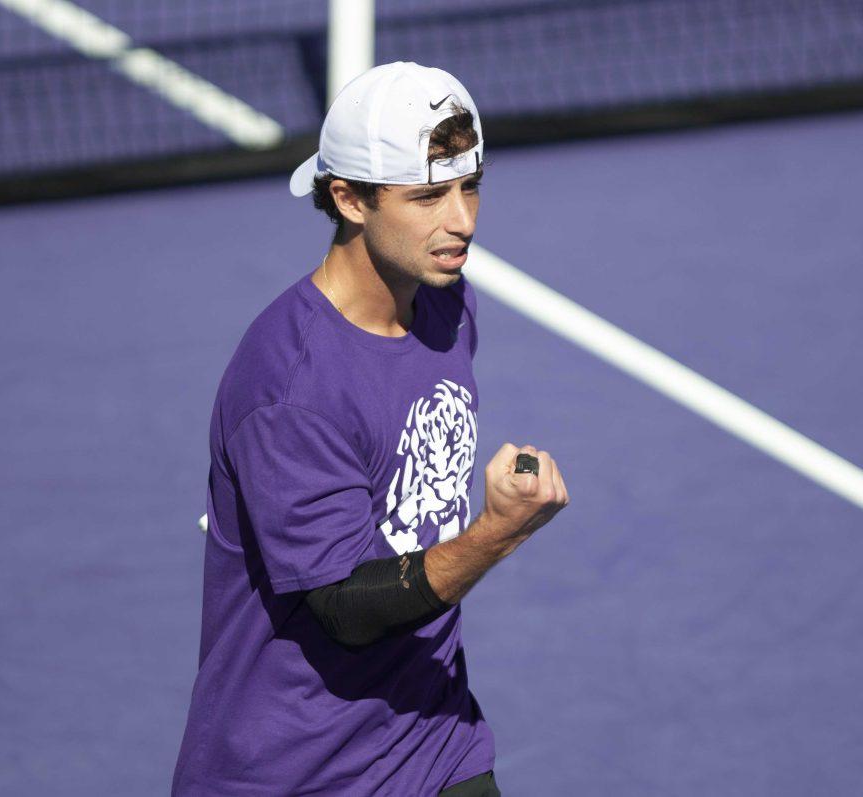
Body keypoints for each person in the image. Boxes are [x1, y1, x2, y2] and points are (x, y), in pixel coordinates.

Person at [172, 61, 570, 796]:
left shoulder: (446, 305)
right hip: (298, 772)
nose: (463, 221)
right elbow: (349, 608)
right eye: (427, 196)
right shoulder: (291, 388)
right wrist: (498, 532)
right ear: (349, 198)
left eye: (469, 185)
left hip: (434, 740)